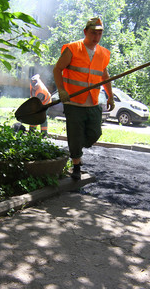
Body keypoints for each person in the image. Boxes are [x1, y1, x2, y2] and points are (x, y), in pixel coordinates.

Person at [53, 17, 115, 180]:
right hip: (73, 102)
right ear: (85, 32)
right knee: (74, 134)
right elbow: (57, 69)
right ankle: (76, 165)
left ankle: (77, 148)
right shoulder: (73, 49)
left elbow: (105, 75)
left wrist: (110, 97)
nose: (96, 36)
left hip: (92, 101)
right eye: (93, 33)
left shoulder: (102, 53)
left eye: (99, 33)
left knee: (95, 133)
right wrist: (61, 90)